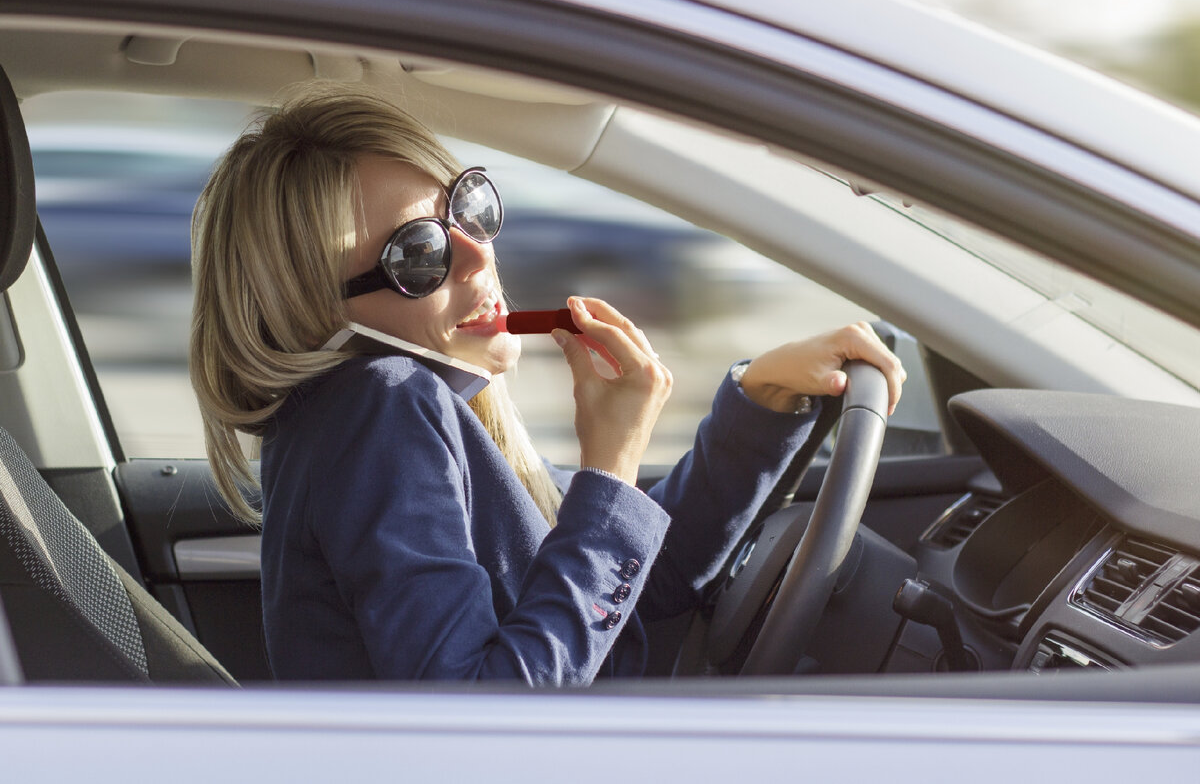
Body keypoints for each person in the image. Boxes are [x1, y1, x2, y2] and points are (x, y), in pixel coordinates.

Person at [189, 83, 905, 685]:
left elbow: (635, 583)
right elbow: (487, 716)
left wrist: (758, 403)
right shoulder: (382, 405)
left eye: (466, 211)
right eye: (420, 253)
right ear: (314, 308)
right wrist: (612, 465)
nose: (478, 256)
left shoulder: (414, 412)